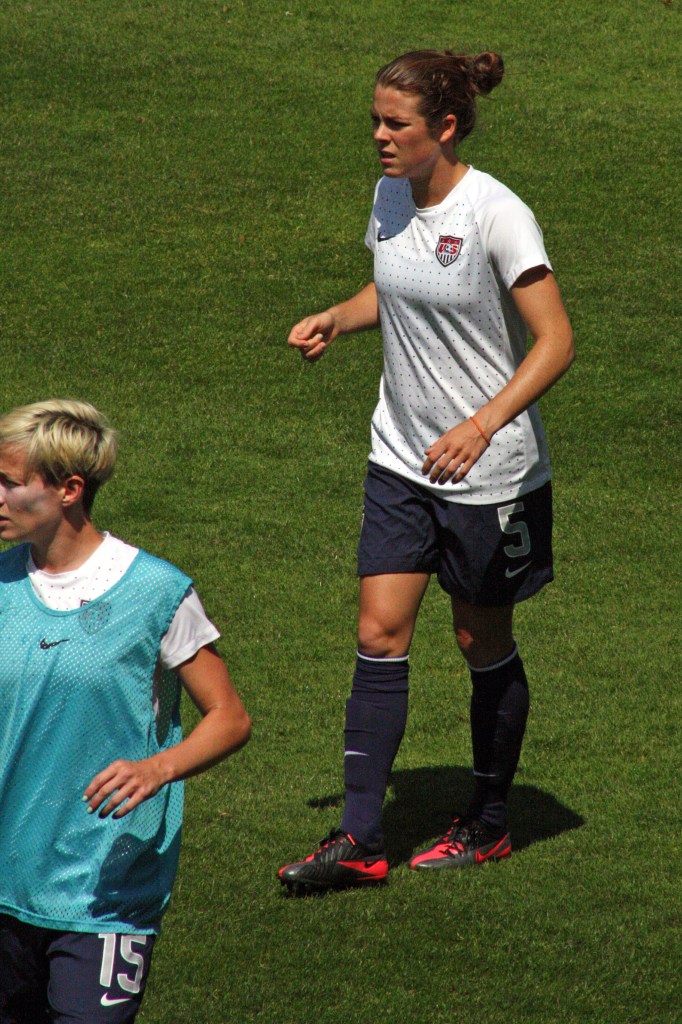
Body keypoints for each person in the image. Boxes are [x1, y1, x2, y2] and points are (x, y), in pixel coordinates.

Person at [279, 49, 574, 894]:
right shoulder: (390, 195)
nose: (379, 135)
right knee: (378, 632)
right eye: (375, 119)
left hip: (490, 475)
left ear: (443, 127)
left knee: (480, 639)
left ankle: (486, 823)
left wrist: (482, 426)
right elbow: (398, 288)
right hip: (400, 456)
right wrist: (341, 315)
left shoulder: (496, 214)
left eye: (396, 123)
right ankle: (361, 839)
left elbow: (555, 339)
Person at [0, 400, 251, 1022]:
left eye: (9, 481)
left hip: (102, 889)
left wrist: (156, 770)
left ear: (68, 490)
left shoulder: (156, 593)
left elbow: (229, 716)